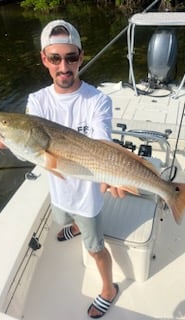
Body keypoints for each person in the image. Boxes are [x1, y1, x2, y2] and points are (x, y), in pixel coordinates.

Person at [25, 20, 125, 318]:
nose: (64, 66)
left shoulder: (98, 100)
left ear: (81, 56)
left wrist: (112, 174)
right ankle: (76, 227)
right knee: (60, 219)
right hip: (59, 189)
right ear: (45, 59)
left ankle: (109, 288)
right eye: (55, 58)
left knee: (95, 248)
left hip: (87, 195)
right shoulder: (37, 101)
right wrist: (7, 136)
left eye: (71, 57)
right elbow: (31, 146)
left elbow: (101, 140)